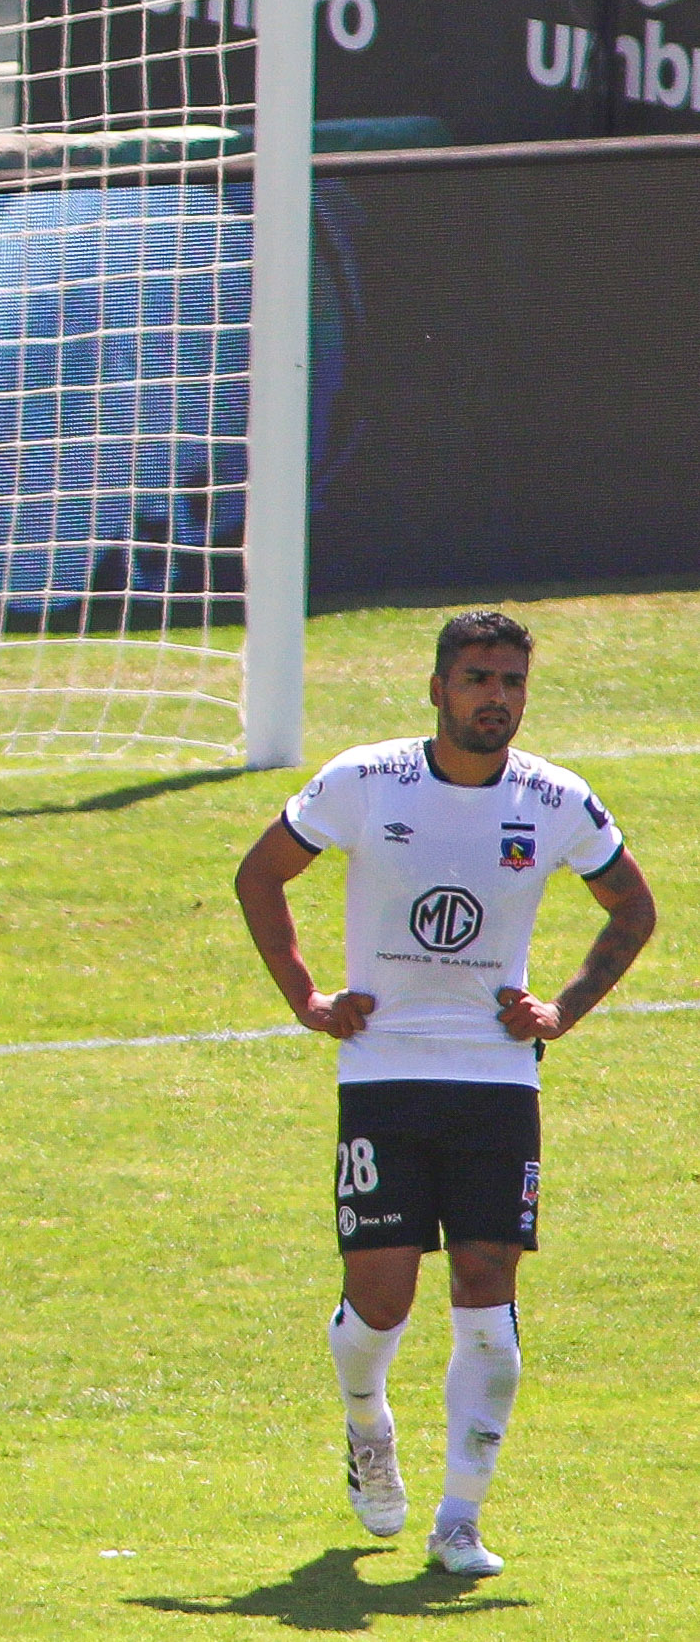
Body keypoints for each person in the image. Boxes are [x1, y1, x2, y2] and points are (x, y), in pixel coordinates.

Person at [232, 610, 656, 1578]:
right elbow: (261, 875)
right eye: (476, 677)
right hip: (382, 1072)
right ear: (436, 688)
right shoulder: (364, 781)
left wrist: (563, 1010)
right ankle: (365, 1425)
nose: (494, 697)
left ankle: (460, 1517)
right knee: (381, 1301)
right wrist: (305, 997)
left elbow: (634, 906)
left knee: (486, 1294)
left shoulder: (555, 799)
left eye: (510, 681)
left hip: (495, 1082)